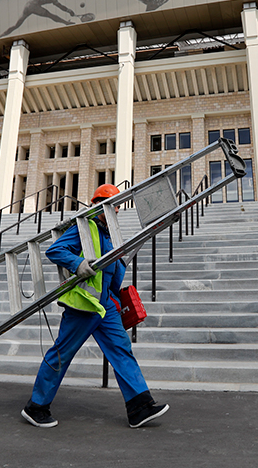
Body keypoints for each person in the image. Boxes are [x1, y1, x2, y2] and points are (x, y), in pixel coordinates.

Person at [22, 183, 169, 429]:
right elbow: (55, 250)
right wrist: (78, 264)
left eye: (118, 206)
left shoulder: (108, 233)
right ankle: (36, 407)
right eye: (113, 205)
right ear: (98, 203)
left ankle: (139, 407)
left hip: (105, 306)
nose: (117, 210)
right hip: (84, 306)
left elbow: (111, 270)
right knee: (62, 353)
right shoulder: (85, 225)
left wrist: (115, 296)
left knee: (122, 349)